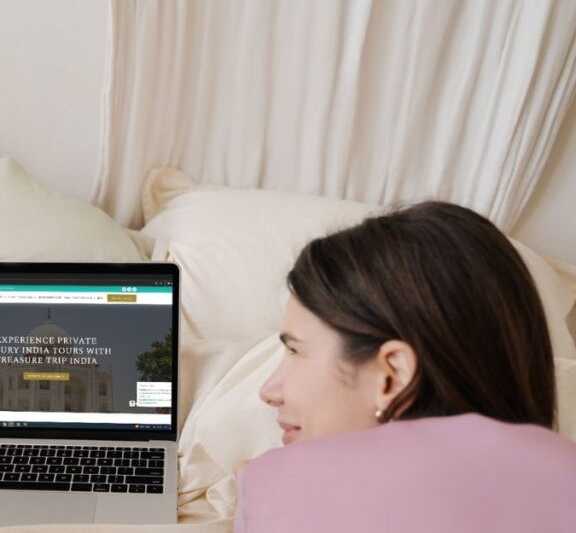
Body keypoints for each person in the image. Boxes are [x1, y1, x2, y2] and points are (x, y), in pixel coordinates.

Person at [237, 201, 576, 532]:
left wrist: (270, 492)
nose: (270, 391)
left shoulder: (282, 488)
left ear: (393, 375)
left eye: (295, 350)